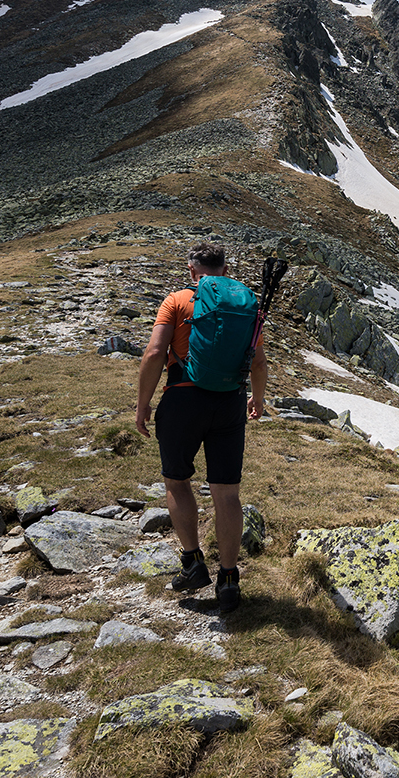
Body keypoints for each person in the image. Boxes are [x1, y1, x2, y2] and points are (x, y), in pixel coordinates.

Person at [135, 242, 267, 613]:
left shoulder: (176, 301)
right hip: (229, 402)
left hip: (183, 398)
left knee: (177, 480)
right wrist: (257, 399)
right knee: (227, 493)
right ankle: (228, 578)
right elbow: (258, 362)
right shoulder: (243, 304)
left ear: (192, 270)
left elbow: (154, 353)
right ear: (224, 270)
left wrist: (143, 403)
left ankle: (193, 562)